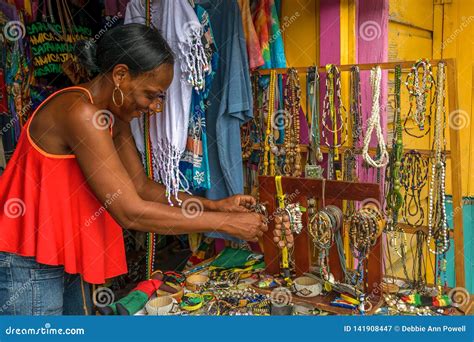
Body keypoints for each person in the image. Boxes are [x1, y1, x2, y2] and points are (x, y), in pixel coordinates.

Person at [0, 23, 267, 315]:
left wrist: (214, 206)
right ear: (120, 75)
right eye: (150, 94)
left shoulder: (113, 117)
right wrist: (224, 224)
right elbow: (130, 211)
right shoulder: (80, 113)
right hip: (26, 258)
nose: (156, 107)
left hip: (61, 254)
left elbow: (142, 188)